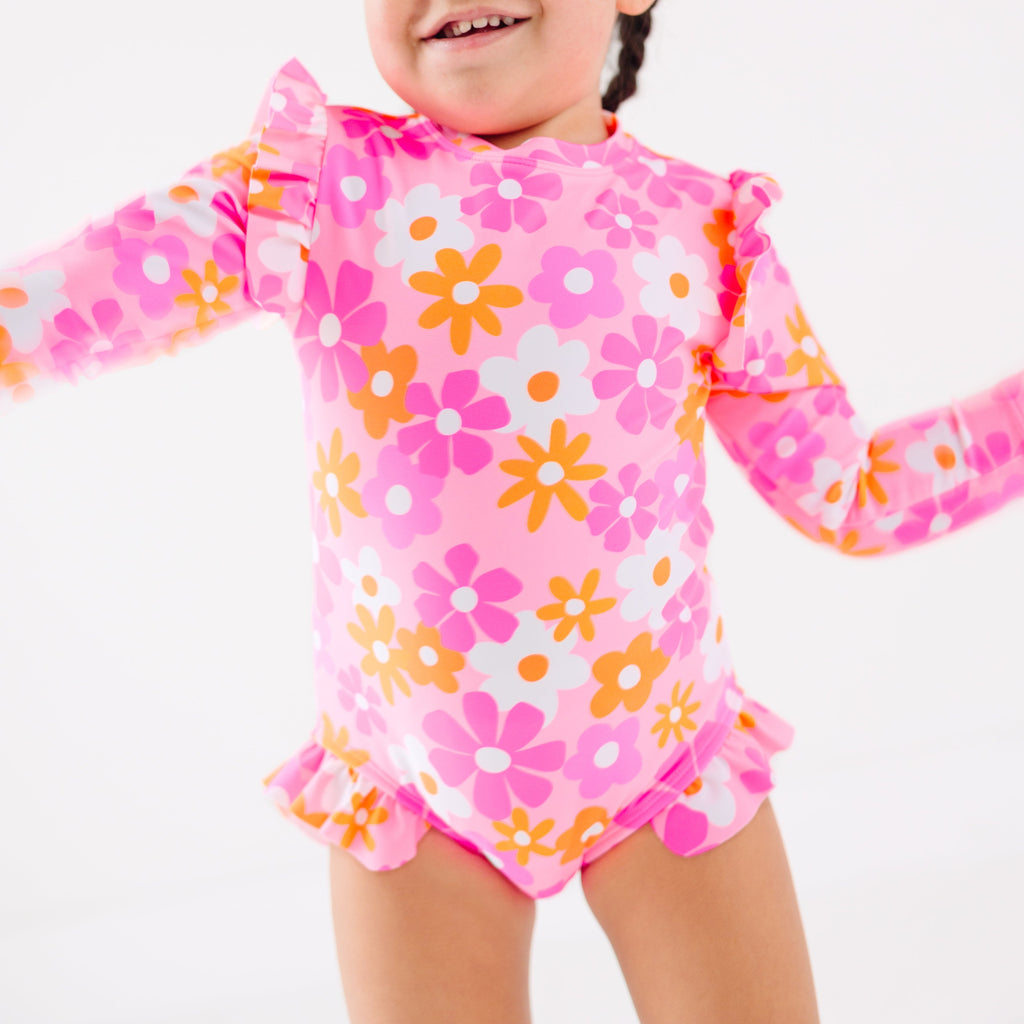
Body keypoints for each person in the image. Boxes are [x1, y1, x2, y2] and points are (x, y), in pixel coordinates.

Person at [2, 2, 1021, 1022]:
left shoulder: (705, 234)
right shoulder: (315, 187)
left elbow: (853, 492)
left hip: (664, 765)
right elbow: (69, 301)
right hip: (414, 789)